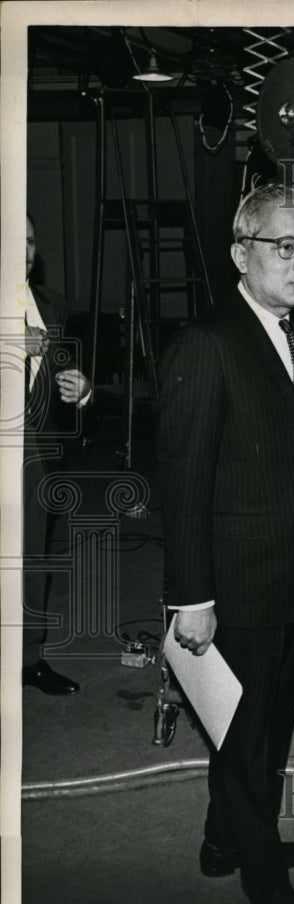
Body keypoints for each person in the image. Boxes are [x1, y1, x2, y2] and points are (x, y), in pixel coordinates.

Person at [155, 184, 294, 904]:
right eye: (285, 246)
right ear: (241, 253)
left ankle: (221, 842)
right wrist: (190, 597)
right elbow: (181, 486)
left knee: (266, 723)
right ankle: (261, 872)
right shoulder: (207, 344)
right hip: (235, 586)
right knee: (245, 739)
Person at [23, 213, 91, 695]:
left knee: (31, 560)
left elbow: (68, 375)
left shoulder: (53, 306)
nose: (24, 252)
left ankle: (29, 658)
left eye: (30, 241)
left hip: (35, 457)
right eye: (13, 242)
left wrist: (83, 390)